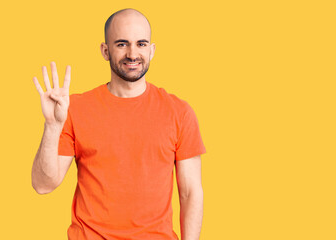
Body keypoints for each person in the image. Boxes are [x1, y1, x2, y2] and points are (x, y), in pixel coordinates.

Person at [31, 8, 206, 240]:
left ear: (152, 50)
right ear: (105, 50)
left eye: (141, 44)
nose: (132, 54)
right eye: (122, 44)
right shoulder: (75, 109)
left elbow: (190, 193)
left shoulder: (179, 112)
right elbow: (43, 185)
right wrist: (52, 126)